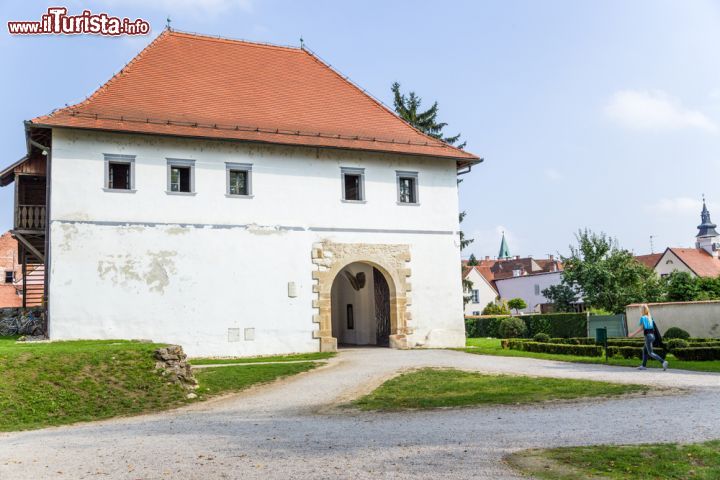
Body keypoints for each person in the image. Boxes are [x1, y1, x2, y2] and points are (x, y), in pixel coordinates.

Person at [629, 304, 669, 371]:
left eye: (640, 309)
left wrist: (632, 334)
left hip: (648, 336)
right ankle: (643, 366)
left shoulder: (643, 318)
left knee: (650, 353)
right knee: (644, 350)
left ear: (643, 310)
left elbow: (641, 328)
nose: (640, 310)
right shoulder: (650, 317)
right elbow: (653, 328)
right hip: (652, 336)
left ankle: (663, 362)